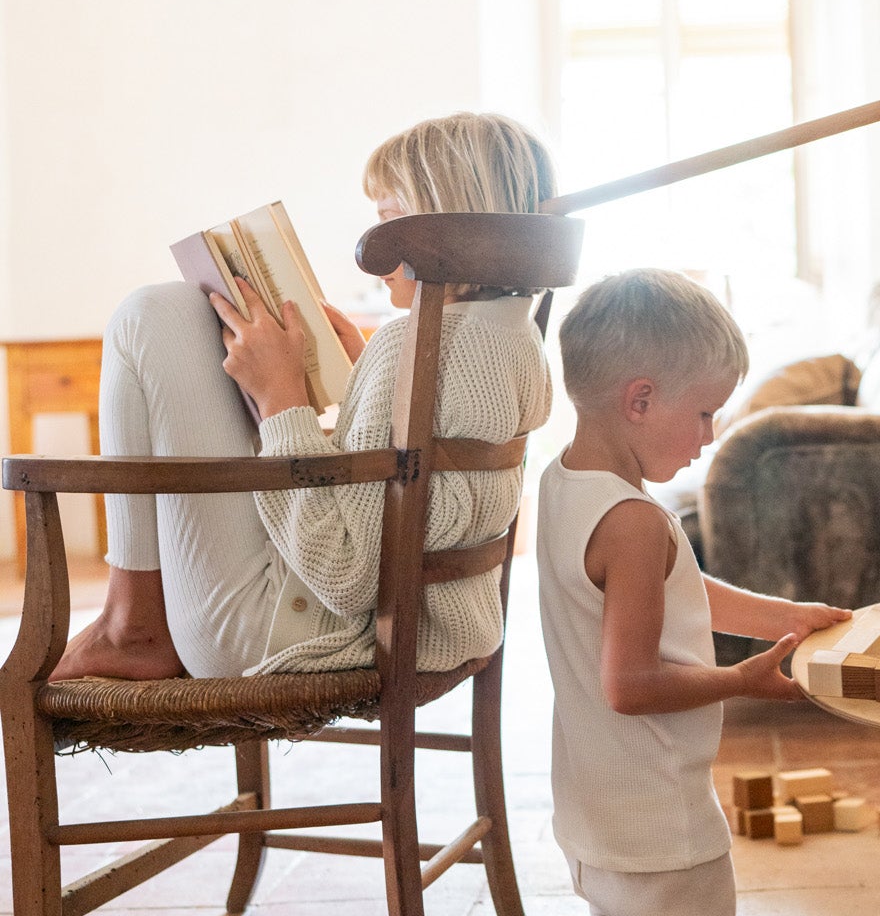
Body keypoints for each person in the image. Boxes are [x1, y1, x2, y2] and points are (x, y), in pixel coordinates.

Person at [428, 267, 851, 916]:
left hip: (593, 802)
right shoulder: (636, 521)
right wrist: (742, 679)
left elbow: (678, 587)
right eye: (703, 412)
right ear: (642, 399)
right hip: (660, 805)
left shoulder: (566, 487)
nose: (709, 433)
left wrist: (787, 615)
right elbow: (631, 684)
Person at [50, 112, 554, 683]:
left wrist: (282, 402)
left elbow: (348, 576)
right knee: (164, 314)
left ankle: (130, 626)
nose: (376, 250)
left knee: (153, 315)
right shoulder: (515, 339)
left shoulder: (408, 347)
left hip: (305, 631)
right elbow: (426, 487)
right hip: (424, 627)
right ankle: (131, 621)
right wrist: (361, 375)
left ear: (444, 226)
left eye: (387, 221)